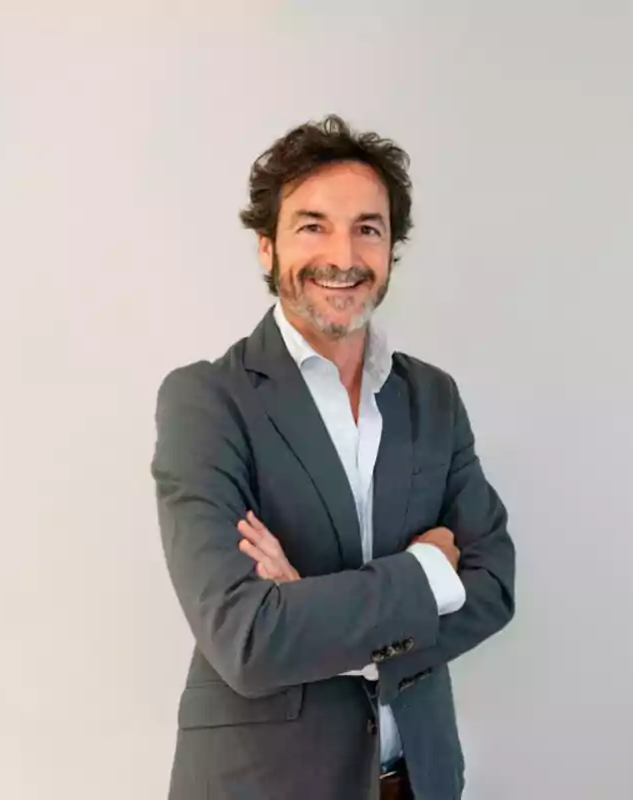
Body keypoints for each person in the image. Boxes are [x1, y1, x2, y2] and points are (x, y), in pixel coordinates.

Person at [151, 114, 516, 800]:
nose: (342, 254)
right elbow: (247, 639)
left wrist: (316, 618)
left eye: (367, 228)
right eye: (313, 225)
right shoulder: (207, 401)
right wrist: (428, 574)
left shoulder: (432, 396)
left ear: (391, 250)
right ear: (266, 247)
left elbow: (494, 586)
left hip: (417, 779)